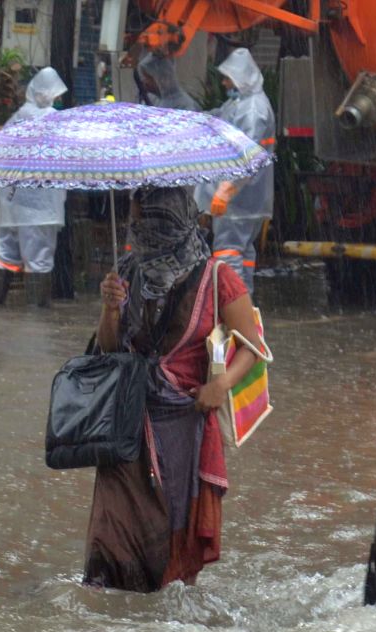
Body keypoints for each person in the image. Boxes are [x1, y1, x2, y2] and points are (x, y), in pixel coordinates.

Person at [85, 186, 263, 592]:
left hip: (183, 424)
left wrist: (221, 384)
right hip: (126, 420)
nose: (138, 229)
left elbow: (253, 349)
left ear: (172, 220)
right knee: (111, 534)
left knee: (168, 534)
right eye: (135, 220)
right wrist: (110, 308)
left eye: (147, 219)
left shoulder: (219, 278)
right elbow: (109, 351)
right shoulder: (127, 271)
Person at [195, 48, 275, 294]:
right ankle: (246, 310)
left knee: (227, 254)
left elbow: (245, 157)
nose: (224, 82)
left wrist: (226, 191)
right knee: (242, 253)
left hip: (239, 200)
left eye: (228, 77)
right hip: (247, 199)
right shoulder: (241, 104)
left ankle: (234, 313)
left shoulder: (252, 110)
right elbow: (218, 118)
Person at [0, 67, 69, 307]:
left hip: (11, 202)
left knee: (4, 253)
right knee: (39, 258)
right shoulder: (53, 119)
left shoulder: (17, 116)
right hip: (41, 206)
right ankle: (36, 315)